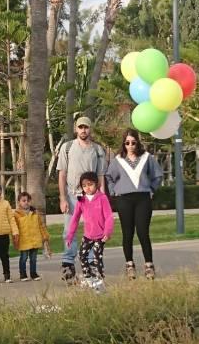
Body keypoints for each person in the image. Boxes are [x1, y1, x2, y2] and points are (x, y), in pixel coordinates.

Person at [105, 128, 162, 280]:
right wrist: (114, 191)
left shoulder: (147, 158)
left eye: (133, 142)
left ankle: (149, 265)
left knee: (143, 232)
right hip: (124, 199)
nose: (130, 146)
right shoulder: (118, 160)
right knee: (127, 233)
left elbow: (157, 175)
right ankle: (129, 265)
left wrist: (151, 189)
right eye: (127, 143)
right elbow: (109, 177)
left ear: (138, 142)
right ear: (123, 144)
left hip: (143, 198)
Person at [57, 116, 107, 282]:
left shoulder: (97, 150)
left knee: (93, 230)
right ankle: (68, 262)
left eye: (86, 127)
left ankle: (92, 261)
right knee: (68, 229)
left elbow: (101, 175)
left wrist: (102, 197)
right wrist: (63, 198)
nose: (83, 130)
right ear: (76, 129)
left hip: (91, 197)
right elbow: (62, 174)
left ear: (90, 129)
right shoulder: (67, 147)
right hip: (72, 194)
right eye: (80, 127)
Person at [65, 172, 114, 284]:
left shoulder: (102, 198)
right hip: (88, 236)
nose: (87, 188)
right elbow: (75, 219)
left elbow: (109, 216)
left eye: (90, 184)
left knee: (97, 257)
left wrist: (107, 231)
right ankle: (87, 277)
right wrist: (70, 236)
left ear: (97, 184)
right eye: (84, 185)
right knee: (82, 255)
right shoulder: (81, 200)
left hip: (100, 236)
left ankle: (100, 279)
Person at [14, 192, 51, 281]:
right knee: (24, 258)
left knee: (33, 258)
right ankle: (23, 274)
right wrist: (15, 240)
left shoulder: (35, 213)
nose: (26, 202)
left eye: (28, 200)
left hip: (35, 240)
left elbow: (41, 225)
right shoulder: (16, 214)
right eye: (24, 201)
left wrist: (45, 236)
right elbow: (14, 228)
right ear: (19, 202)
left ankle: (33, 273)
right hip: (24, 241)